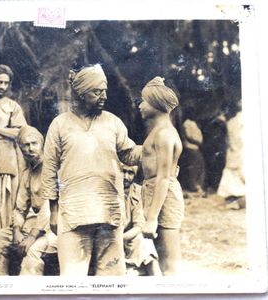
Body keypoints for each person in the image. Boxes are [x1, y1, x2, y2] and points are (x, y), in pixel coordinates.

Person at [42, 64, 143, 276]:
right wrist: (53, 212)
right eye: (97, 91)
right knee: (73, 279)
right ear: (80, 92)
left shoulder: (113, 122)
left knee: (112, 278)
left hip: (109, 210)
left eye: (104, 90)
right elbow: (49, 171)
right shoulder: (59, 125)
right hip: (74, 213)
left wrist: (152, 149)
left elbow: (128, 153)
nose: (104, 96)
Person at [0, 126, 57, 275]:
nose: (30, 149)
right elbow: (20, 208)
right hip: (34, 225)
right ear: (20, 149)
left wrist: (32, 236)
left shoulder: (52, 169)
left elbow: (48, 207)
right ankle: (0, 287)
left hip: (55, 226)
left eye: (34, 143)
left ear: (42, 144)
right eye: (25, 145)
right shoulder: (27, 173)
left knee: (32, 251)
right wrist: (16, 231)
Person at [138, 76, 184, 276]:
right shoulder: (159, 131)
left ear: (156, 104)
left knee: (169, 263)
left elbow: (164, 177)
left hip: (162, 196)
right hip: (155, 193)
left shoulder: (164, 134)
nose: (140, 106)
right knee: (160, 258)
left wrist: (152, 218)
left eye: (144, 101)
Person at [0, 64, 27, 232]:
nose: (2, 86)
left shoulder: (12, 106)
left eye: (6, 83)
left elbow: (19, 132)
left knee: (3, 200)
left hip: (6, 159)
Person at [121, 164, 161, 276]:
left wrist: (121, 238)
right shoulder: (109, 190)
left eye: (130, 173)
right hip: (109, 236)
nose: (125, 176)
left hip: (127, 237)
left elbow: (138, 225)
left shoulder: (137, 191)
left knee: (144, 240)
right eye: (123, 171)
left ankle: (159, 282)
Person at [217, 101, 245, 209]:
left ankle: (235, 200)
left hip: (237, 151)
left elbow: (233, 140)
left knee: (234, 174)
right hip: (238, 151)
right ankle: (235, 200)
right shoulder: (236, 121)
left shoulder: (233, 122)